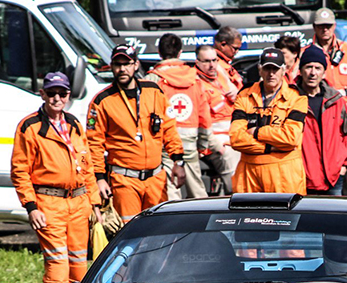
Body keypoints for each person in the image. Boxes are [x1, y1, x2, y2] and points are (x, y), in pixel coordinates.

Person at [11, 72, 101, 283]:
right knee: (58, 266)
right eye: (52, 93)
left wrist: (95, 203)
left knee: (80, 266)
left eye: (62, 93)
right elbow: (20, 171)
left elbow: (87, 165)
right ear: (43, 94)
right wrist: (31, 207)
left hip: (79, 203)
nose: (57, 98)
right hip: (49, 204)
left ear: (69, 95)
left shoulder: (73, 123)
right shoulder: (30, 126)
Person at [86, 45, 186, 223]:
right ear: (111, 66)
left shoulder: (154, 91)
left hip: (156, 177)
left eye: (127, 63)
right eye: (118, 64)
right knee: (130, 233)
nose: (122, 69)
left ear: (136, 65)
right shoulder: (102, 100)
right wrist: (100, 179)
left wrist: (178, 160)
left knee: (157, 231)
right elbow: (94, 144)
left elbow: (169, 128)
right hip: (124, 179)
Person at [229, 48, 309, 193]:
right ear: (260, 70)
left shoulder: (297, 98)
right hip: (249, 173)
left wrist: (257, 132)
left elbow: (290, 138)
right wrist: (269, 147)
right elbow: (235, 139)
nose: (271, 74)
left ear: (284, 70)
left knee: (285, 216)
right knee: (247, 216)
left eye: (275, 69)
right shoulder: (244, 96)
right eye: (267, 68)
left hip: (285, 174)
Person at [143, 34, 213, 198]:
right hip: (190, 144)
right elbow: (204, 116)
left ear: (159, 53)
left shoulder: (152, 80)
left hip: (165, 146)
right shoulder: (195, 79)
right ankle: (205, 220)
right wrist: (203, 144)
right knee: (198, 192)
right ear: (180, 52)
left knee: (170, 193)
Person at [308, 7, 347, 196]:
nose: (325, 30)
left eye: (329, 26)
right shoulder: (308, 53)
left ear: (334, 26)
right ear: (314, 27)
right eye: (321, 26)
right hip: (321, 116)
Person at [297, 46, 347, 195]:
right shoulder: (291, 98)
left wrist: (344, 166)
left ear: (324, 72)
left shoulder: (334, 99)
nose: (313, 72)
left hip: (334, 178)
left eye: (317, 68)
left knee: (335, 218)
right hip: (303, 179)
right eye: (308, 67)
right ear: (301, 70)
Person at [195, 44, 240, 193]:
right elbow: (201, 123)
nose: (212, 65)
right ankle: (237, 202)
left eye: (214, 60)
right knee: (229, 161)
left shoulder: (220, 75)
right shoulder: (196, 84)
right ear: (197, 62)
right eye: (206, 61)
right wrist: (217, 146)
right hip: (215, 144)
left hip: (233, 138)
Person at [214, 26, 245, 91]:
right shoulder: (214, 65)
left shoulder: (224, 63)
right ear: (223, 44)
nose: (237, 52)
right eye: (235, 48)